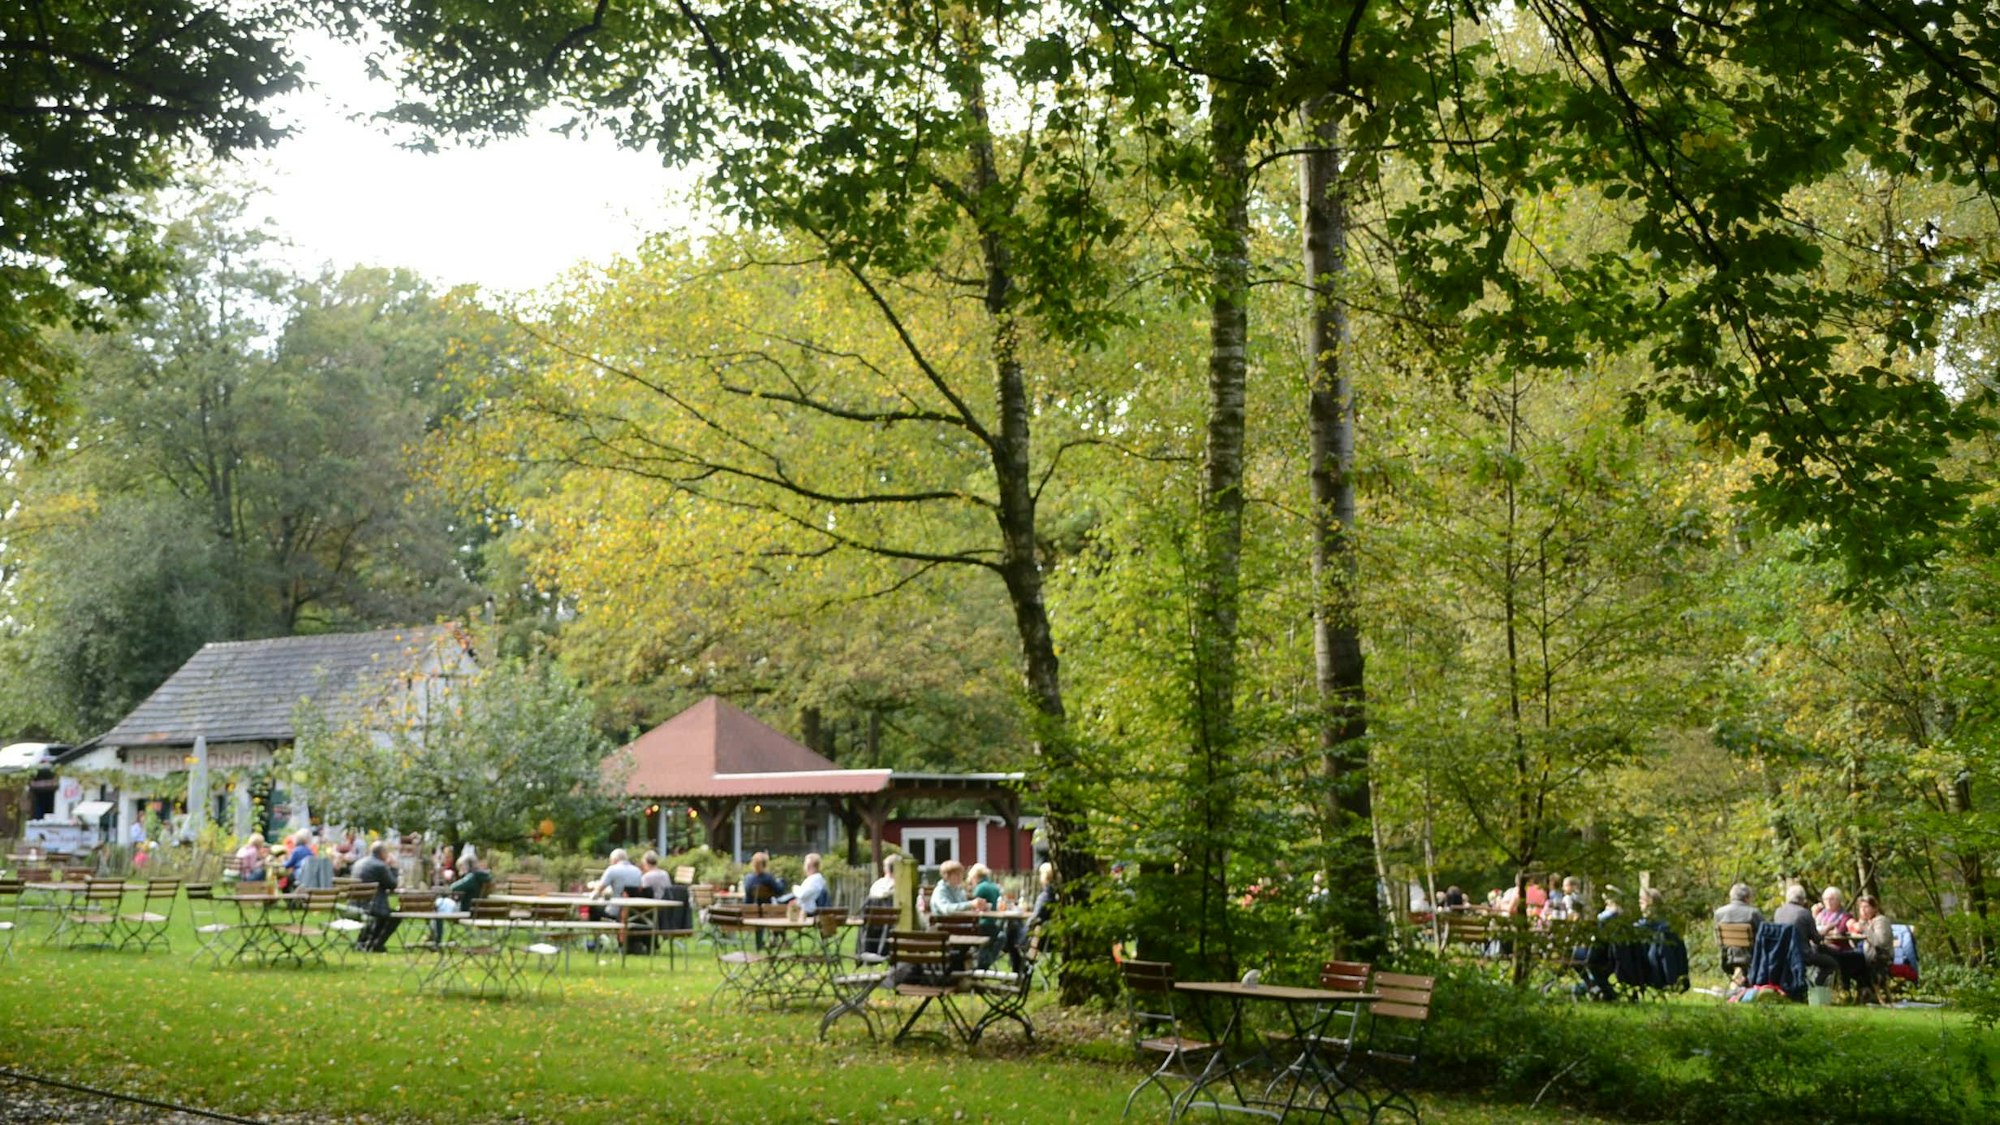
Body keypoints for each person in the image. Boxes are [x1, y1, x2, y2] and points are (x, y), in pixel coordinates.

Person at [1774, 883, 1839, 986]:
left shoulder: (1778, 912)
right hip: (1802, 955)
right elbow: (1816, 939)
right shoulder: (1804, 913)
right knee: (1831, 963)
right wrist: (1826, 930)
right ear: (1803, 899)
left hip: (1781, 953)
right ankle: (1817, 987)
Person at [353, 841, 401, 952]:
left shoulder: (358, 863)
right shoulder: (380, 866)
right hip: (373, 907)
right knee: (395, 916)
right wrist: (394, 867)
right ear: (383, 853)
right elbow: (392, 884)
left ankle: (363, 942)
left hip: (355, 905)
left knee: (382, 916)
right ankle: (376, 944)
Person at [589, 848, 645, 919]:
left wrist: (594, 890)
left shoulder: (612, 869)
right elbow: (640, 889)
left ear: (614, 860)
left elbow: (598, 890)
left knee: (593, 908)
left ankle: (596, 929)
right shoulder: (638, 871)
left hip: (616, 912)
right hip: (634, 913)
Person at [1856, 894, 1894, 992]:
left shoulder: (1881, 921)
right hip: (1864, 955)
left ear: (1874, 908)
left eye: (1866, 907)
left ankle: (1863, 992)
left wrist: (1864, 929)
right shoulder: (1865, 922)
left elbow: (1879, 942)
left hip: (1880, 957)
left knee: (1849, 960)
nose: (1863, 910)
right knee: (1842, 958)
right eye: (1860, 907)